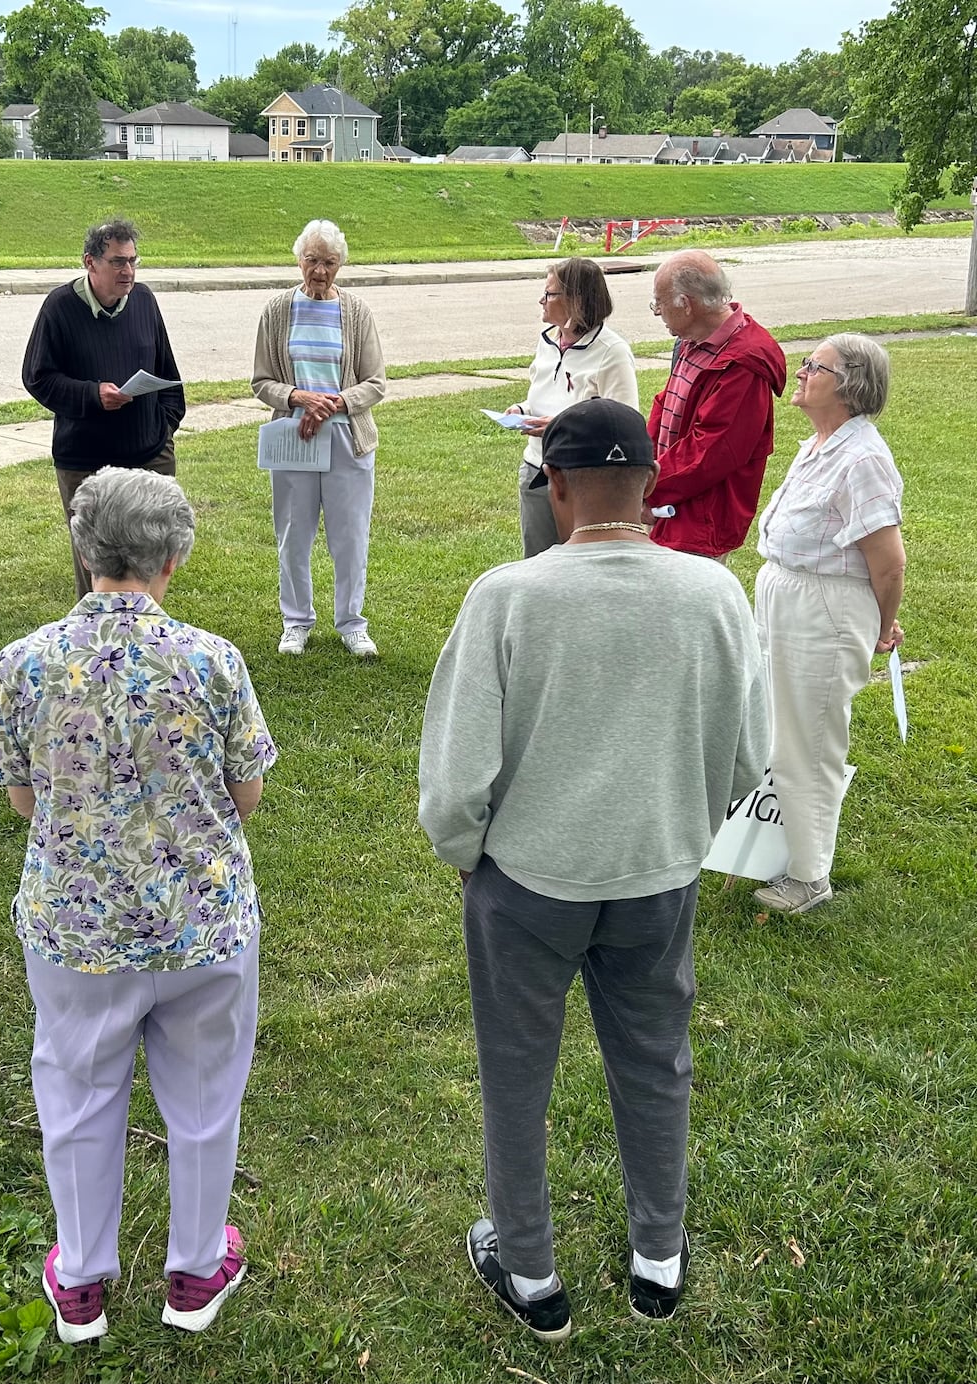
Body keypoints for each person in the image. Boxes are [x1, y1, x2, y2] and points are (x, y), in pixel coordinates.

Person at [418, 399, 768, 1341]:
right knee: (657, 1064)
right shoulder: (714, 595)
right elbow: (748, 756)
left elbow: (456, 779)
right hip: (658, 871)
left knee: (517, 1072)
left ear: (556, 483)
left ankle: (530, 1271)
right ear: (651, 485)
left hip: (527, 879)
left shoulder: (510, 594)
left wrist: (468, 857)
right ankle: (659, 1254)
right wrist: (678, 829)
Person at [0, 469, 276, 1344]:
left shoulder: (25, 662)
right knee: (205, 1096)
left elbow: (22, 796)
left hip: (77, 925)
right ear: (172, 559)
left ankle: (79, 1279)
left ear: (83, 550)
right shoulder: (213, 659)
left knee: (76, 1094)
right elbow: (246, 792)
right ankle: (194, 1269)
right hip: (204, 920)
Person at [750, 334, 905, 915]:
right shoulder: (820, 444)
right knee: (775, 730)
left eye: (816, 366)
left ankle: (809, 877)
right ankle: (775, 850)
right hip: (788, 598)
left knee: (809, 742)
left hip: (823, 612)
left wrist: (883, 628)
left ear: (849, 386)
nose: (801, 370)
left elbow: (888, 563)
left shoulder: (862, 459)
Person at [21, 219, 187, 598]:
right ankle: (94, 648)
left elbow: (168, 373)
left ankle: (148, 639)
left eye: (132, 261)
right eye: (117, 262)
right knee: (98, 564)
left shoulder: (144, 300)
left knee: (154, 555)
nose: (127, 271)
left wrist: (164, 428)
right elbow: (38, 378)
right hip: (85, 461)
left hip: (149, 455)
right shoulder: (59, 308)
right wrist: (94, 395)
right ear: (90, 262)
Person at [250, 219, 388, 658]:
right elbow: (261, 381)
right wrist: (297, 397)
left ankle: (352, 623)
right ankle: (296, 622)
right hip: (294, 438)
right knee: (293, 532)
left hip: (348, 438)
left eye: (329, 262)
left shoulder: (357, 312)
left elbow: (376, 383)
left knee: (350, 535)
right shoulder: (276, 311)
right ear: (299, 260)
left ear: (341, 265)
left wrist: (333, 403)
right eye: (312, 260)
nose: (320, 271)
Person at [645, 251, 787, 560]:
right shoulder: (694, 339)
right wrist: (639, 465)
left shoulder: (743, 361)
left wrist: (646, 487)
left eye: (660, 302)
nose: (657, 312)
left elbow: (710, 451)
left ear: (686, 303)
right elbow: (667, 404)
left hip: (698, 521)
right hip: (669, 504)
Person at [503, 257, 639, 558]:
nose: (541, 300)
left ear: (576, 300)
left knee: (583, 564)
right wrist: (522, 410)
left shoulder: (611, 352)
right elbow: (547, 396)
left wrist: (562, 428)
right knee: (538, 564)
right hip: (536, 468)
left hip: (584, 481)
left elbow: (625, 424)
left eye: (550, 294)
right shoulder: (548, 341)